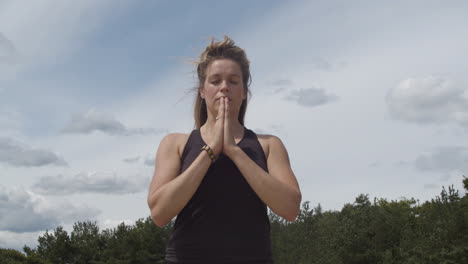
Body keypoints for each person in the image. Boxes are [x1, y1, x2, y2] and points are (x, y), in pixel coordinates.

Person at [147, 36, 302, 264]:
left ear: (244, 91)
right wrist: (210, 151)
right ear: (202, 91)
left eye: (233, 81)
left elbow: (290, 208)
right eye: (215, 81)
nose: (224, 88)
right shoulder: (175, 144)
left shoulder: (269, 145)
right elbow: (159, 213)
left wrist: (234, 151)